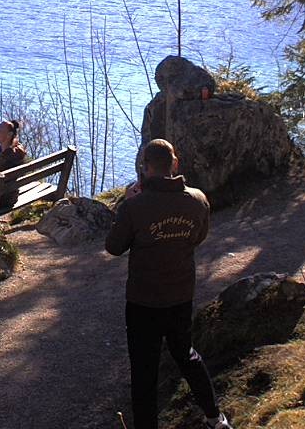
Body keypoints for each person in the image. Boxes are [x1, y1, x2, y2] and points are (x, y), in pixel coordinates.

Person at [105, 138, 233, 429]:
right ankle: (215, 417)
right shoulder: (197, 200)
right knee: (186, 355)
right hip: (180, 295)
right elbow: (198, 237)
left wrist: (126, 205)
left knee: (144, 371)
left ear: (145, 168)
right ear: (175, 165)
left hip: (143, 301)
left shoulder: (134, 207)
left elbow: (114, 246)